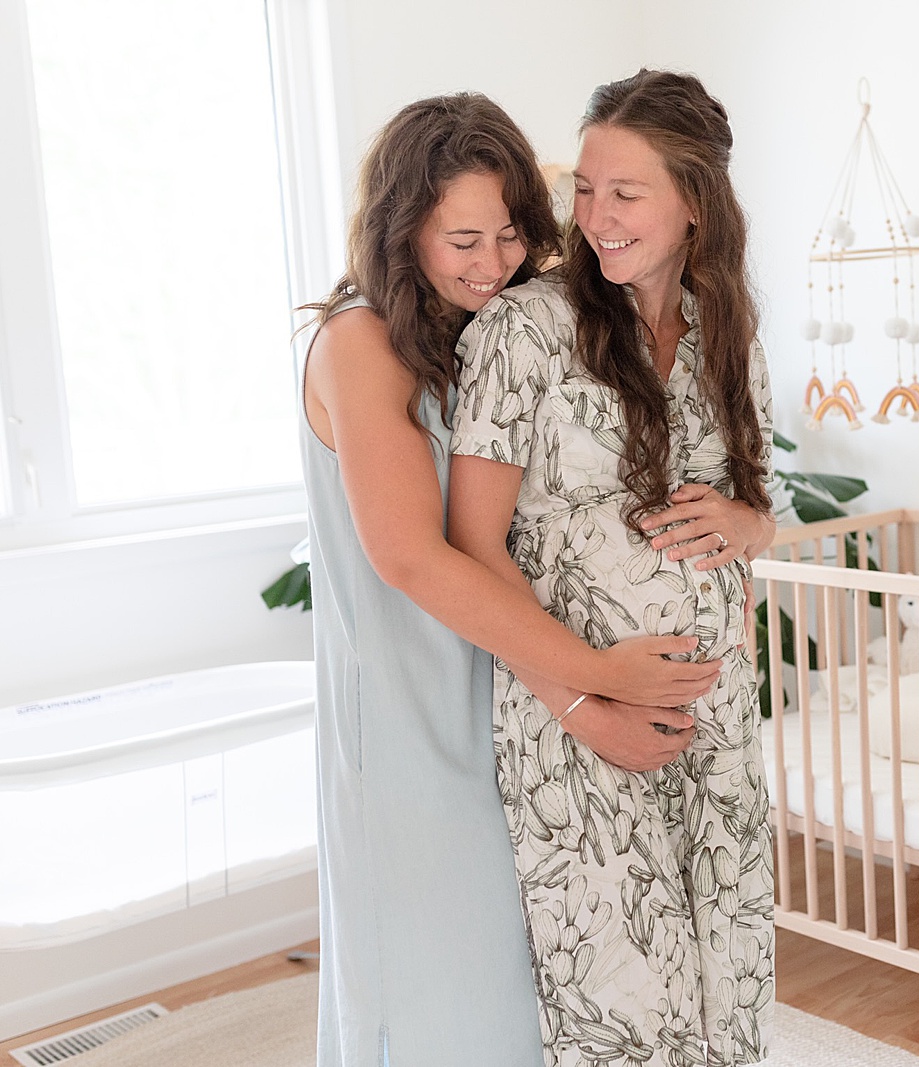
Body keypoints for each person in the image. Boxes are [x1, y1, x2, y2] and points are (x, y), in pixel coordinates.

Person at [299, 92, 721, 1066]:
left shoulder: (501, 336)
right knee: (436, 992)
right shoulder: (358, 342)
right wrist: (591, 681)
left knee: (525, 995)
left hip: (518, 697)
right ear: (402, 233)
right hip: (416, 715)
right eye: (461, 240)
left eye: (508, 235)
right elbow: (409, 554)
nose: (490, 264)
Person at [447, 70, 776, 1067]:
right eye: (585, 188)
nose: (593, 215)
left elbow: (760, 505)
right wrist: (589, 701)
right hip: (578, 721)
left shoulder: (726, 324)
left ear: (694, 202)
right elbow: (472, 547)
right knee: (623, 1004)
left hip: (715, 712)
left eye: (623, 192)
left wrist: (748, 524)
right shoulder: (523, 329)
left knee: (727, 973)